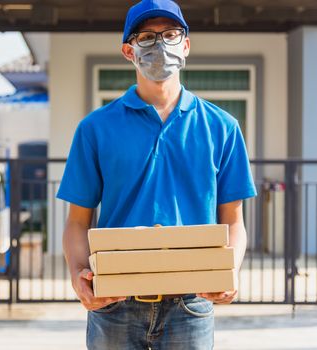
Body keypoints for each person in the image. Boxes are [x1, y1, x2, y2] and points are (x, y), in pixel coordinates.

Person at [56, 0, 257, 349]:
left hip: (191, 304)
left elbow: (234, 220)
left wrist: (231, 270)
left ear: (186, 45)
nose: (160, 45)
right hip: (114, 301)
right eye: (146, 37)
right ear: (128, 51)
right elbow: (77, 221)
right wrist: (78, 276)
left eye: (170, 34)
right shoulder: (95, 129)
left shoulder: (222, 128)